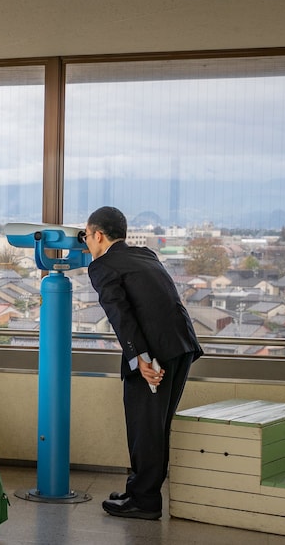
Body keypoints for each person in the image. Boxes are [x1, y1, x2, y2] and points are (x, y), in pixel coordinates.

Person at [83, 206, 203, 520]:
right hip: (182, 345)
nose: (85, 242)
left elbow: (120, 315)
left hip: (155, 353)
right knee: (156, 425)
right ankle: (139, 489)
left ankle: (145, 501)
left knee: (144, 427)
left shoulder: (102, 266)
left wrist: (141, 359)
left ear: (98, 234)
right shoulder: (145, 254)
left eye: (86, 235)